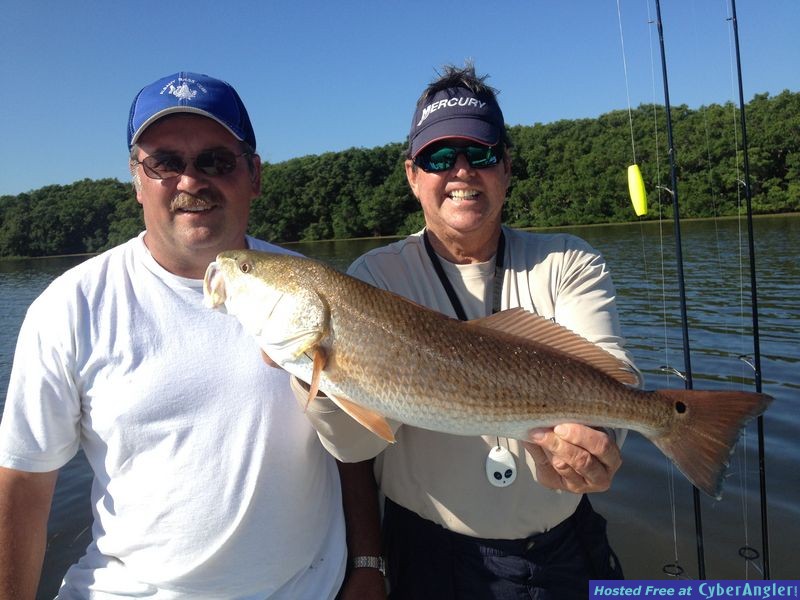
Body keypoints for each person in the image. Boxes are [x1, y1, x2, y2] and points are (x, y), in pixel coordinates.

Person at [0, 72, 354, 599]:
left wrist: (369, 565)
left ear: (253, 174)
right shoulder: (69, 306)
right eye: (165, 163)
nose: (191, 181)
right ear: (137, 179)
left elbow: (355, 444)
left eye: (216, 160)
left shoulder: (318, 289)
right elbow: (24, 485)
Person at [296, 63, 642, 599]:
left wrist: (603, 445)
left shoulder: (570, 261)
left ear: (505, 167)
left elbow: (612, 375)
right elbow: (354, 444)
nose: (460, 172)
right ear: (412, 176)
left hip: (566, 549)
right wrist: (311, 369)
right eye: (438, 157)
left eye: (479, 154)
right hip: (429, 552)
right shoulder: (373, 281)